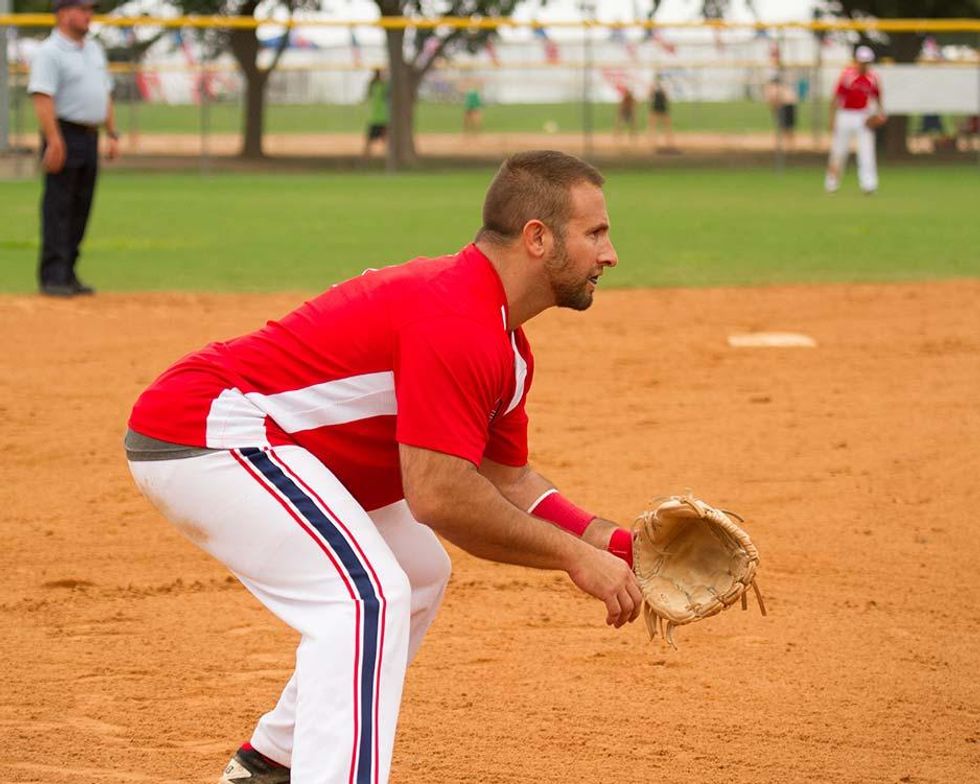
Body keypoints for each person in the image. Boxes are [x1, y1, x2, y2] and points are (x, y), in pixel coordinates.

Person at [124, 150, 642, 784]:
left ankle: (271, 765)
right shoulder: (456, 316)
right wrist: (574, 557)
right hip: (206, 432)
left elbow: (506, 477)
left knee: (416, 571)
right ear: (538, 238)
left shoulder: (501, 340)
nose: (610, 253)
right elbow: (440, 495)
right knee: (365, 598)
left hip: (258, 441)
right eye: (595, 232)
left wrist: (615, 544)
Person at [28, 0, 119, 297]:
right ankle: (53, 275)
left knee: (81, 206)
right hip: (64, 133)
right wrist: (54, 140)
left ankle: (68, 272)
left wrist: (112, 132)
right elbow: (43, 97)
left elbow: (104, 91)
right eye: (83, 9)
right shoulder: (49, 52)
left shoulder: (93, 49)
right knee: (59, 206)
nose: (89, 15)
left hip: (90, 135)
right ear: (64, 13)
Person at [825, 45, 884, 195]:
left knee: (866, 151)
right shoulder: (847, 75)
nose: (864, 64)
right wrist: (832, 119)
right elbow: (836, 98)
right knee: (839, 151)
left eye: (867, 61)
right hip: (845, 114)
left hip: (863, 115)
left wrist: (880, 113)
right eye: (862, 61)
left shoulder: (873, 77)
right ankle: (832, 183)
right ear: (856, 61)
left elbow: (878, 97)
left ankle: (869, 185)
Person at [764, 73, 798, 149]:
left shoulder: (774, 87)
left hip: (785, 105)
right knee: (788, 127)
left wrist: (774, 108)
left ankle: (785, 145)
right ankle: (789, 145)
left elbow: (774, 99)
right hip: (788, 105)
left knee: (783, 127)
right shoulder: (782, 86)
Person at [362, 68, 389, 159]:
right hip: (381, 116)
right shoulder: (383, 85)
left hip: (377, 116)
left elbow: (368, 95)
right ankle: (387, 156)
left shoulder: (373, 86)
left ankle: (366, 156)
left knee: (372, 139)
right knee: (383, 138)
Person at [648, 76, 675, 151]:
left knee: (665, 125)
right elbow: (651, 96)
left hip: (660, 107)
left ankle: (668, 140)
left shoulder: (662, 88)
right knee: (653, 124)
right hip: (658, 107)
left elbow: (665, 98)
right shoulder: (657, 87)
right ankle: (653, 140)